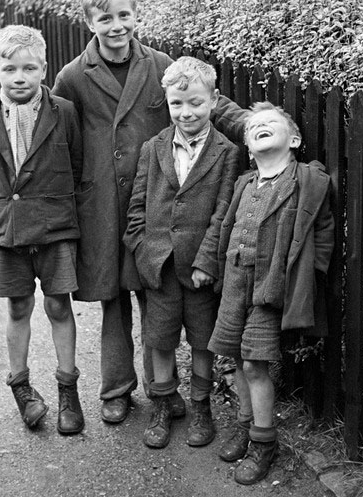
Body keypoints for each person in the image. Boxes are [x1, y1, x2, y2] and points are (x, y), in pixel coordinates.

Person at [52, 0, 247, 424]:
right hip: (101, 203)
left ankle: (164, 390)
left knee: (155, 290)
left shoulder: (159, 64)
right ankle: (116, 388)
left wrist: (258, 126)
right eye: (105, 18)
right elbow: (55, 130)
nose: (116, 26)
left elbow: (208, 102)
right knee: (112, 296)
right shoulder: (74, 76)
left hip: (156, 200)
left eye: (124, 15)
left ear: (136, 14)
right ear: (89, 22)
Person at [208, 101, 334, 485]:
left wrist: (308, 274)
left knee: (254, 363)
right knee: (231, 355)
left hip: (270, 287)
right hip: (234, 280)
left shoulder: (305, 181)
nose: (260, 126)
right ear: (247, 146)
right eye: (253, 127)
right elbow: (229, 225)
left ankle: (264, 442)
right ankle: (246, 426)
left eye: (270, 124)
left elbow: (323, 232)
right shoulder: (245, 182)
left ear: (293, 139)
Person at [0, 25, 85, 435]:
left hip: (55, 228)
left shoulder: (65, 113)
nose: (20, 77)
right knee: (18, 307)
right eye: (10, 68)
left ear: (43, 69)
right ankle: (21, 388)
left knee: (58, 306)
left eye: (29, 68)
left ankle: (67, 393)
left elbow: (76, 165)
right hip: (11, 232)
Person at [123, 57, 239, 449]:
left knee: (204, 340)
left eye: (195, 103)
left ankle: (201, 406)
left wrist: (208, 260)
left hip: (200, 269)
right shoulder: (153, 148)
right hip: (159, 265)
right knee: (160, 337)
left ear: (214, 100)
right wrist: (141, 249)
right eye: (177, 104)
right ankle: (162, 403)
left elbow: (224, 212)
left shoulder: (226, 152)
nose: (186, 112)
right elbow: (137, 205)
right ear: (167, 102)